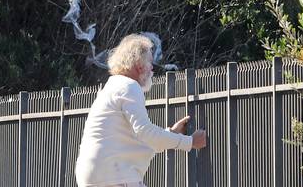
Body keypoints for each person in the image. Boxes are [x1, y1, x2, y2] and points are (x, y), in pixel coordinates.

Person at [75, 34, 207, 187]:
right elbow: (145, 132)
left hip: (93, 174)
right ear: (139, 65)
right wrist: (189, 142)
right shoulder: (129, 86)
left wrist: (171, 133)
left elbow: (139, 139)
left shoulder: (113, 86)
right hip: (115, 175)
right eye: (150, 62)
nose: (152, 68)